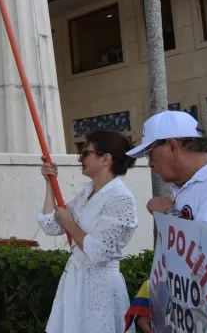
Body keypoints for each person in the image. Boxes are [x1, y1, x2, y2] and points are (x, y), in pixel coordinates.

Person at [123, 111, 207, 333]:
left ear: (173, 146)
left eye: (150, 153)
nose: (150, 164)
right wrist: (152, 299)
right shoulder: (189, 188)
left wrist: (170, 215)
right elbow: (177, 260)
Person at [38, 130, 139, 333]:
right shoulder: (87, 192)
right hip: (75, 282)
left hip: (101, 287)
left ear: (106, 159)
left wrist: (70, 223)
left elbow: (98, 251)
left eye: (86, 152)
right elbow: (52, 224)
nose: (80, 157)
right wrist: (49, 184)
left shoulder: (121, 198)